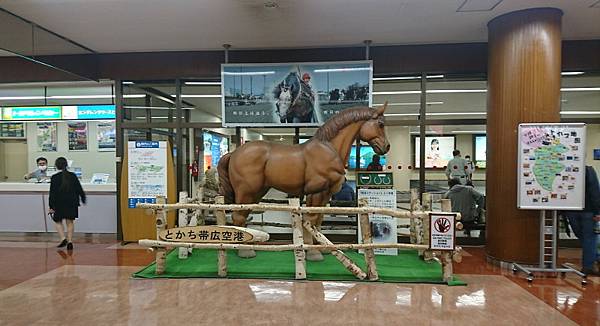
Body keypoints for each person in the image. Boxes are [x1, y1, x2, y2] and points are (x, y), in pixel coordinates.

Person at [563, 166, 600, 275]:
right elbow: (595, 191)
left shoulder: (564, 168)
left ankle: (594, 259)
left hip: (571, 210)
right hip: (588, 210)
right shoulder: (588, 170)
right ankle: (589, 266)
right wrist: (597, 211)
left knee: (584, 237)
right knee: (589, 238)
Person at [48, 157, 86, 250]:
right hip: (72, 202)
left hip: (59, 203)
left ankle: (63, 238)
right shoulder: (72, 176)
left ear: (56, 166)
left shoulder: (54, 177)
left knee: (58, 221)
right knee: (70, 222)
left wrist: (51, 206)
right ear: (66, 165)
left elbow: (52, 193)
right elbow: (79, 189)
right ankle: (70, 241)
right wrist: (83, 198)